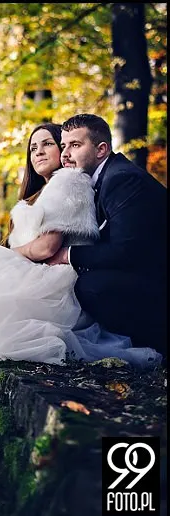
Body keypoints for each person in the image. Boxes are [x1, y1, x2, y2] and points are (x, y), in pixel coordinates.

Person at [0, 122, 162, 486]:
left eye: (50, 144)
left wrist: (3, 253)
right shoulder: (37, 196)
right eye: (34, 146)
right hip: (40, 273)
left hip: (55, 278)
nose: (41, 151)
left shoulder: (71, 183)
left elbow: (48, 249)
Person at [42, 114, 168, 354]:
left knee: (90, 287)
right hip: (145, 273)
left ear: (101, 150)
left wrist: (68, 255)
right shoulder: (98, 179)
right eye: (63, 146)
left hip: (158, 281)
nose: (65, 154)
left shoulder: (122, 179)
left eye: (75, 145)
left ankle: (154, 346)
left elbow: (127, 251)